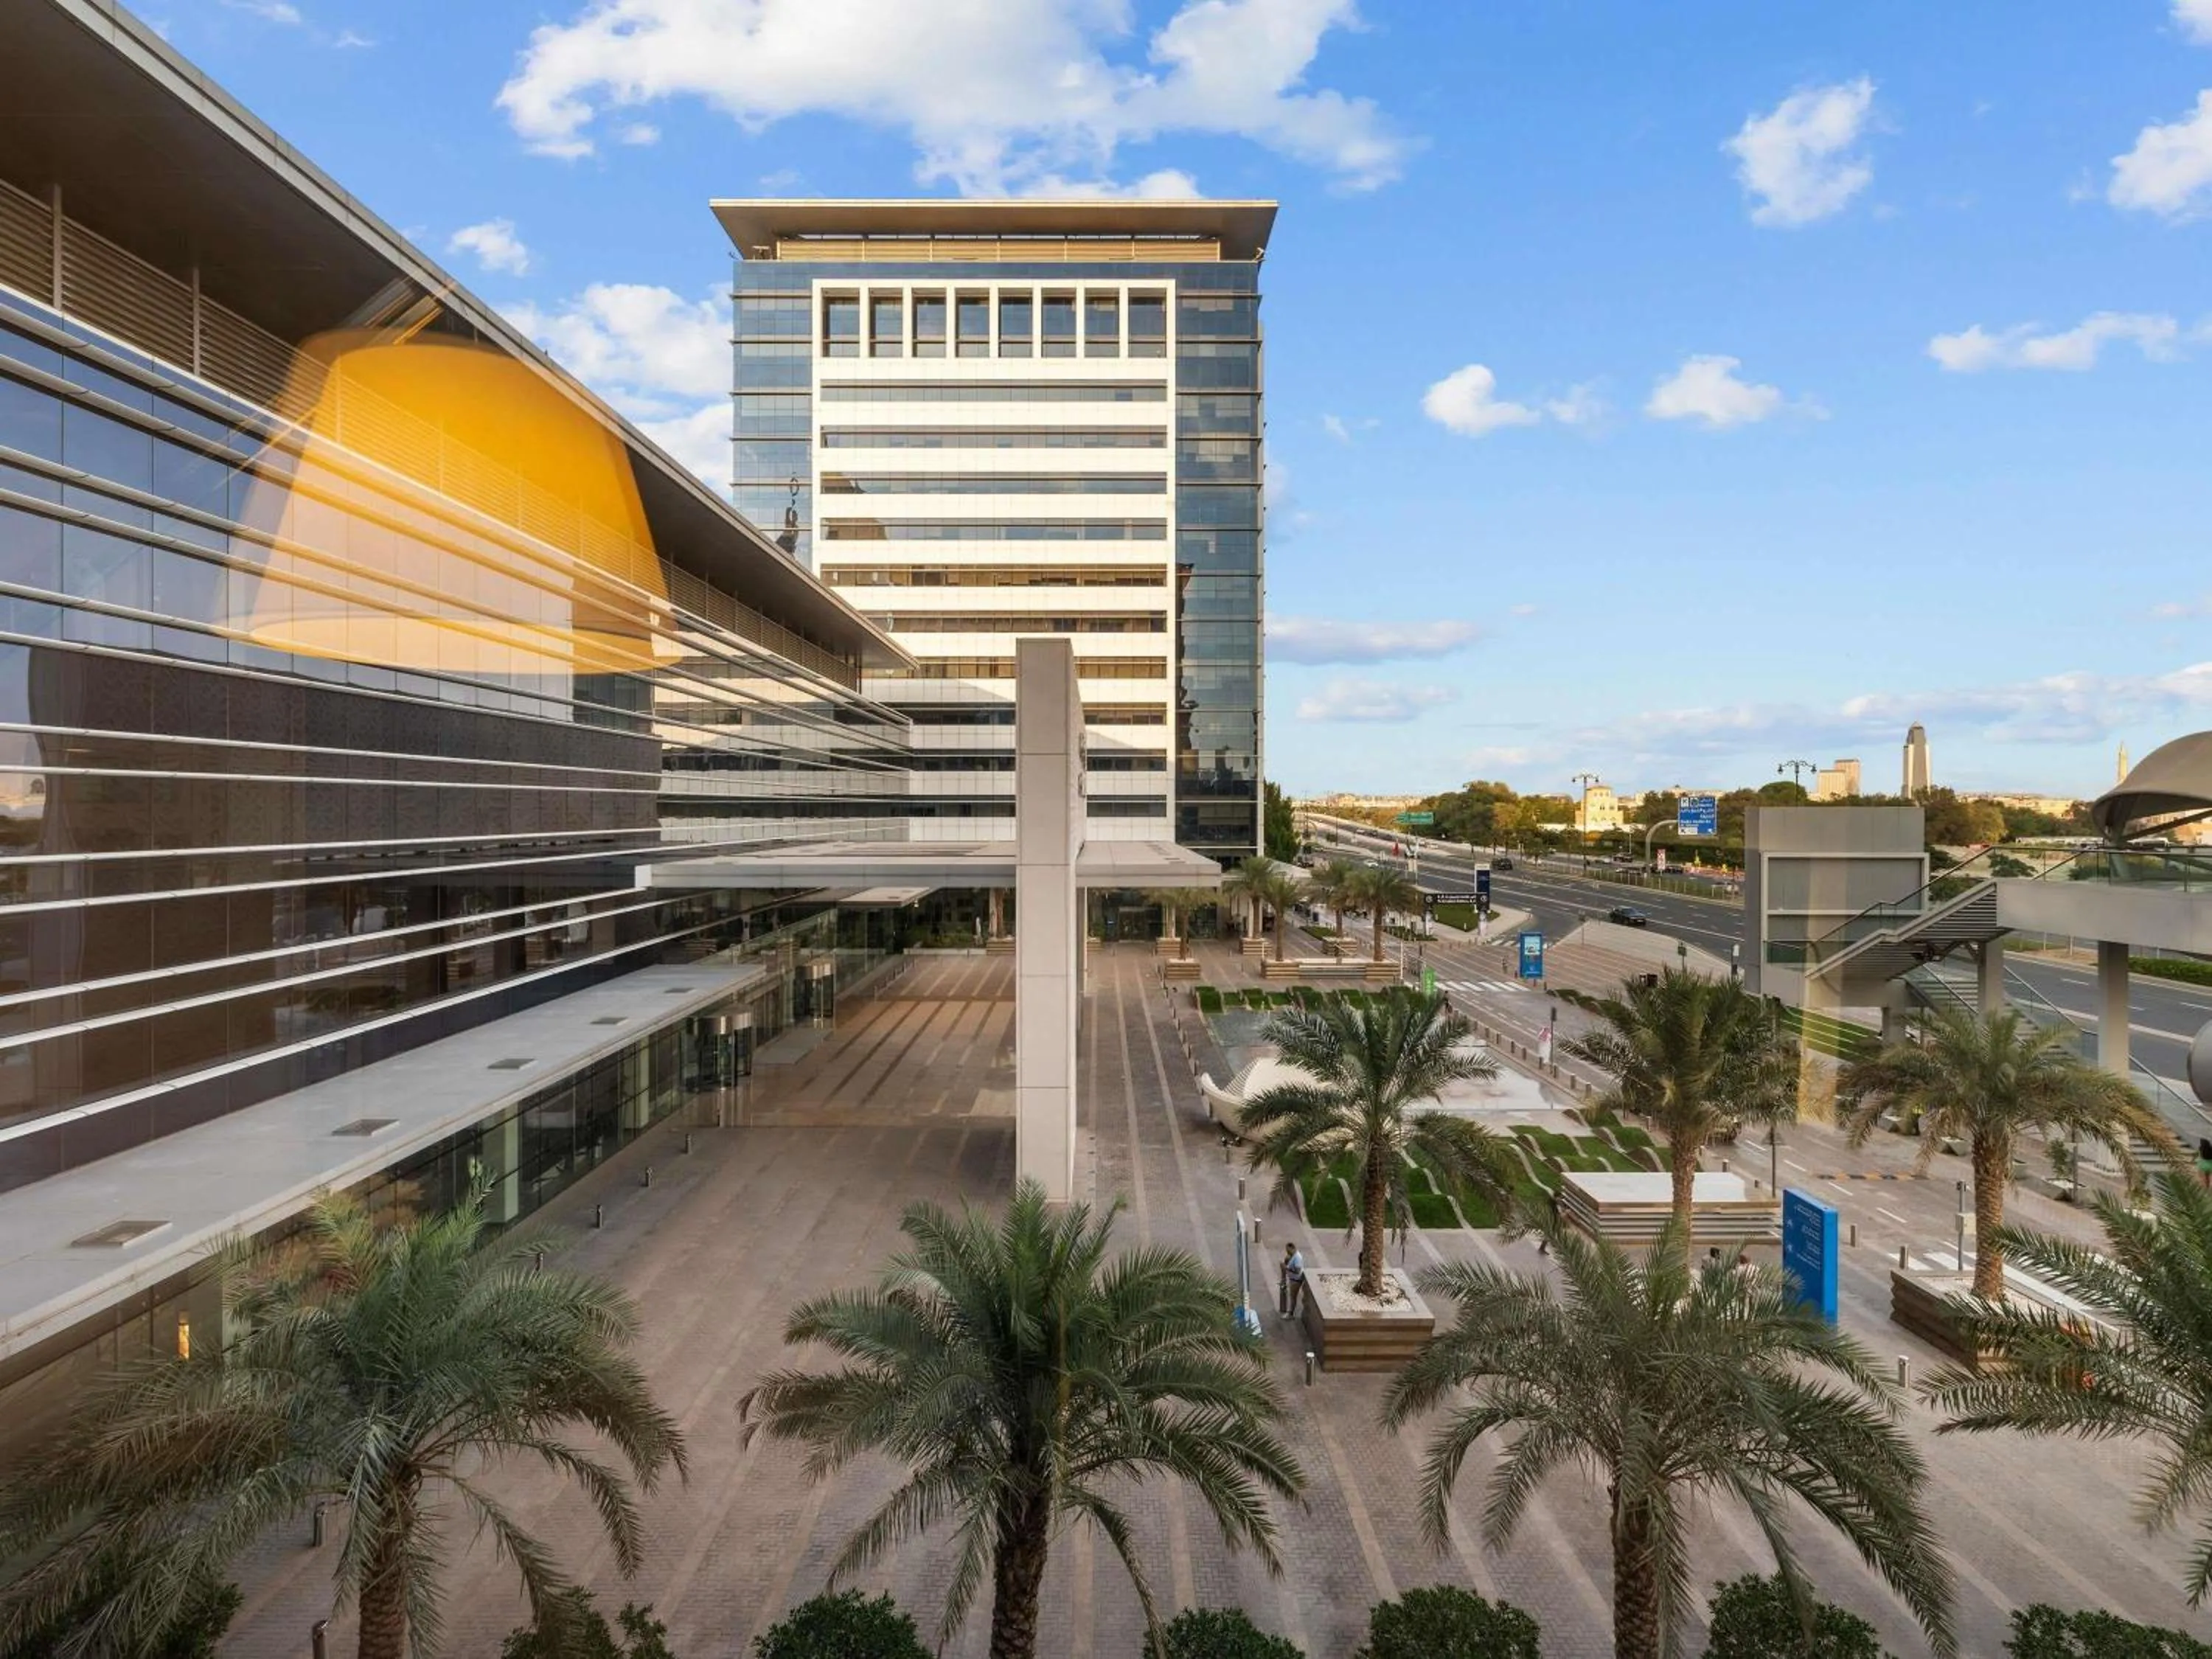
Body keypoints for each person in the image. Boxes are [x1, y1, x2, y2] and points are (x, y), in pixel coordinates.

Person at [1280, 1241, 1306, 1319]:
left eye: (1288, 1250)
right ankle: (1290, 1312)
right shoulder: (1293, 1256)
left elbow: (1298, 1271)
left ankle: (1290, 1314)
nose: (1287, 1252)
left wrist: (1287, 1268)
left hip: (1296, 1280)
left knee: (1293, 1297)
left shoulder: (1297, 1258)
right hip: (1293, 1279)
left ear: (1292, 1248)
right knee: (1292, 1296)